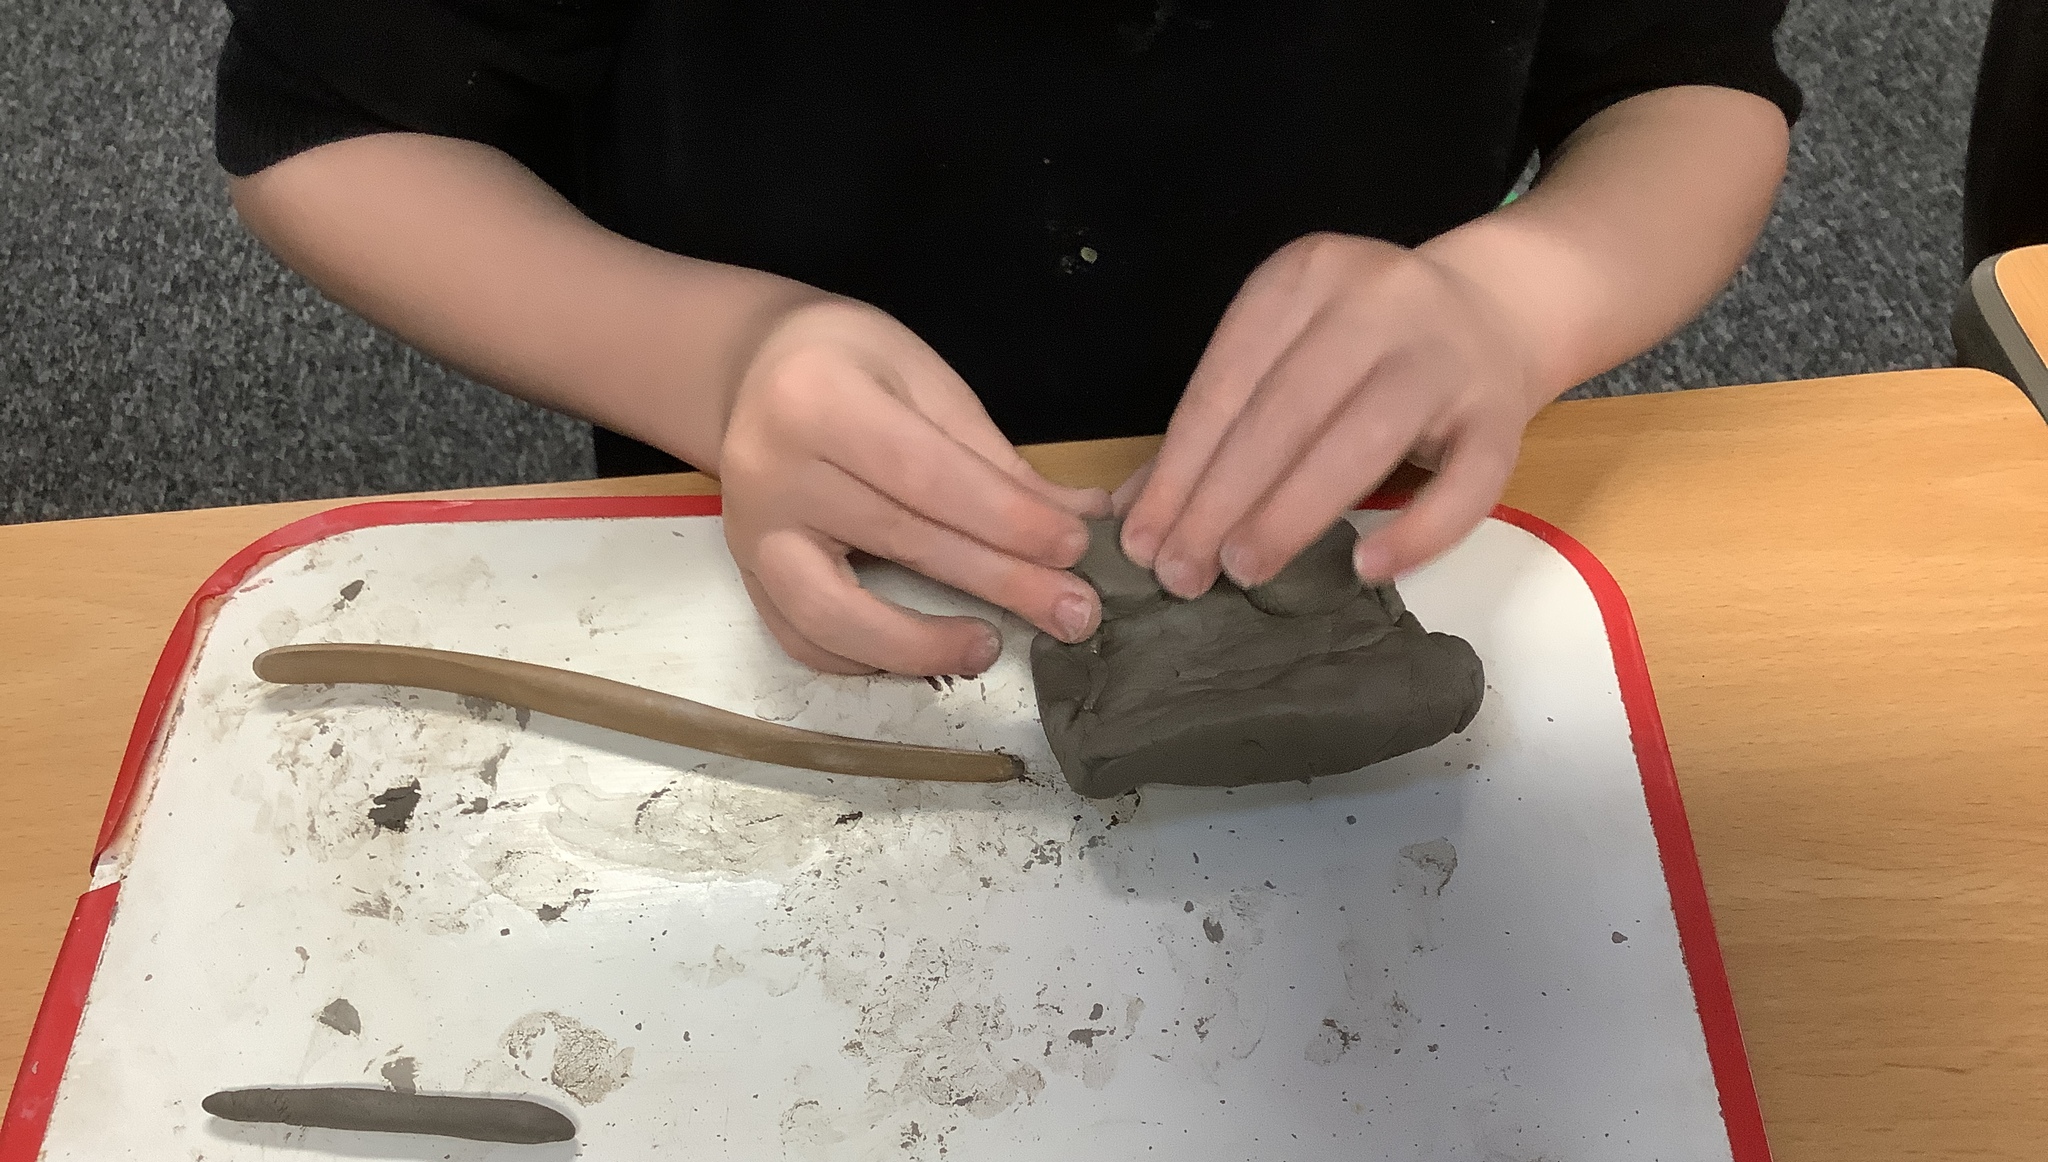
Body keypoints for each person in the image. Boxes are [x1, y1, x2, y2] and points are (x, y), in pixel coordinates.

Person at [215, 2, 1798, 678]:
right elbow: (331, 126)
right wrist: (712, 357)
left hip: (1366, 529)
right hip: (781, 526)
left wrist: (1517, 298)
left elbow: (1683, 78)